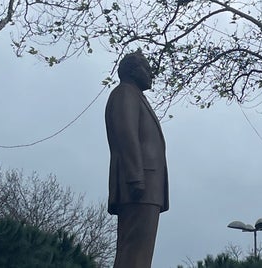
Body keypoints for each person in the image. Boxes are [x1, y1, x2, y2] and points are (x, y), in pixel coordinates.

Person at [104, 50, 168, 268]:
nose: (151, 74)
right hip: (140, 183)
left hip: (148, 185)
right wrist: (135, 178)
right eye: (147, 69)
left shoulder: (135, 95)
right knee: (134, 249)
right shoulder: (125, 93)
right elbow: (126, 134)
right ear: (133, 70)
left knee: (141, 251)